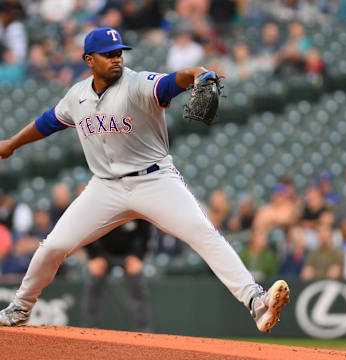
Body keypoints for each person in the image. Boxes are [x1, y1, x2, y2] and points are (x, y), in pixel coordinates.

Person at [0, 27, 289, 333]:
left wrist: (195, 72)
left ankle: (256, 302)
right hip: (105, 187)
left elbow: (168, 84)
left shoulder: (136, 83)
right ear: (88, 59)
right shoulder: (77, 96)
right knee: (53, 246)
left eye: (119, 53)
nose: (116, 59)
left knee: (203, 233)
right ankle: (21, 307)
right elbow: (47, 122)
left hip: (155, 180)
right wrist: (11, 144)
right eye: (108, 54)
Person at [82, 219, 153, 332]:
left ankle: (144, 332)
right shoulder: (103, 206)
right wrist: (94, 255)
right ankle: (90, 329)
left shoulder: (135, 206)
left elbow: (146, 234)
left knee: (138, 290)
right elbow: (85, 229)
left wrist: (138, 256)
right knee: (93, 284)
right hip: (103, 253)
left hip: (130, 254)